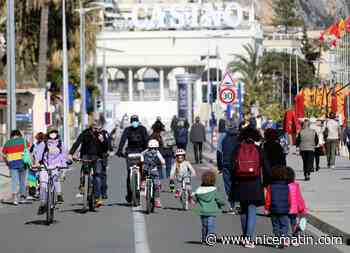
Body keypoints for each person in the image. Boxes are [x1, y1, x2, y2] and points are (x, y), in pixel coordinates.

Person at [233, 127, 264, 248]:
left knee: (243, 210)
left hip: (240, 183)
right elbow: (265, 164)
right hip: (254, 183)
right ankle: (249, 239)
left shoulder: (238, 149)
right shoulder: (258, 149)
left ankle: (244, 236)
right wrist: (267, 182)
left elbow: (232, 166)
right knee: (252, 210)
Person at [69, 120, 110, 207]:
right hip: (86, 155)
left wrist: (102, 140)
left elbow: (107, 147)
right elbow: (77, 143)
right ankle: (82, 185)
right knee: (84, 170)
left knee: (97, 175)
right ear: (91, 127)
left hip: (97, 157)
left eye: (99, 128)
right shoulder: (85, 133)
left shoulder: (102, 134)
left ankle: (97, 197)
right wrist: (71, 153)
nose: (97, 129)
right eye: (95, 127)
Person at [116, 115, 149, 203]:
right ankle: (130, 195)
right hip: (130, 152)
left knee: (143, 169)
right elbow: (123, 140)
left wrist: (147, 151)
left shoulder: (143, 129)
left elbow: (147, 140)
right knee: (129, 173)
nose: (135, 122)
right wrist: (119, 151)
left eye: (136, 121)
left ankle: (143, 182)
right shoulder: (127, 129)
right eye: (133, 121)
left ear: (138, 121)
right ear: (131, 122)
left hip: (141, 152)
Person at [37, 127, 69, 215]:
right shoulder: (44, 143)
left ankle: (59, 194)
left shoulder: (60, 143)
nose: (53, 134)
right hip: (45, 166)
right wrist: (36, 163)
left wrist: (65, 163)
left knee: (56, 179)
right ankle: (43, 203)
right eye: (51, 132)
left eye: (55, 132)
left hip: (56, 166)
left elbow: (64, 155)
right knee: (43, 184)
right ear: (48, 133)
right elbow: (38, 155)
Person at [193, 170, 225, 245]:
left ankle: (204, 239)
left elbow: (195, 199)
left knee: (204, 225)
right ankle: (210, 238)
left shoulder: (199, 190)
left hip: (202, 211)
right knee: (211, 225)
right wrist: (223, 204)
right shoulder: (214, 190)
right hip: (212, 211)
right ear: (213, 180)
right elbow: (220, 200)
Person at [217, 119, 239, 213]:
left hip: (226, 164)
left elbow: (219, 152)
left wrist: (219, 167)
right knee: (237, 183)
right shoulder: (240, 136)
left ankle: (232, 206)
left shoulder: (223, 136)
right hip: (237, 165)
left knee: (228, 185)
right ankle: (239, 203)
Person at [2, 130, 30, 205]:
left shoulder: (7, 143)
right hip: (23, 164)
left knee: (15, 182)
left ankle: (15, 199)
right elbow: (28, 151)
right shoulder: (24, 141)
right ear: (19, 134)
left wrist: (7, 163)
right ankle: (23, 198)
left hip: (12, 165)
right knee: (22, 182)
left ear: (12, 135)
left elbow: (4, 155)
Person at [264, 166, 290, 249]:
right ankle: (283, 237)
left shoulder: (270, 186)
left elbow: (268, 198)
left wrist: (267, 208)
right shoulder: (287, 186)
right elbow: (289, 198)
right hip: (284, 210)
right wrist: (289, 206)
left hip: (273, 210)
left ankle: (277, 240)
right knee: (285, 225)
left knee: (275, 226)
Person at [286, 166, 307, 244]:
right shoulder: (295, 185)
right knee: (294, 222)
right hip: (294, 209)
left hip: (285, 209)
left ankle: (287, 238)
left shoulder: (283, 186)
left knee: (286, 224)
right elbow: (299, 198)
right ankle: (297, 236)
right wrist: (302, 208)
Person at [142, 139, 165, 208]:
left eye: (155, 148)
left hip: (154, 170)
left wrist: (163, 162)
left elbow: (161, 159)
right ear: (149, 148)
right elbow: (141, 154)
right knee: (144, 173)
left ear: (157, 148)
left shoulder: (157, 152)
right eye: (151, 148)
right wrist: (142, 160)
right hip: (146, 168)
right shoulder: (146, 151)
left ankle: (157, 200)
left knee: (156, 186)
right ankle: (143, 182)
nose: (153, 150)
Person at [28, 132, 46, 199]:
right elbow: (30, 153)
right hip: (38, 164)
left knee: (34, 178)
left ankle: (33, 193)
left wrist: (32, 161)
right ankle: (37, 192)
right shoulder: (44, 145)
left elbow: (30, 153)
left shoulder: (38, 145)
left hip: (37, 164)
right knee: (36, 178)